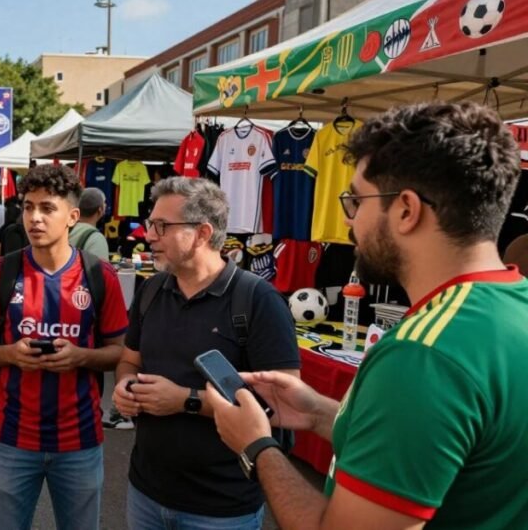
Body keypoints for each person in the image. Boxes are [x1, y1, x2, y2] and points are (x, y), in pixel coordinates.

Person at [208, 102, 528, 530]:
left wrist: (256, 445)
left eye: (356, 199)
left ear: (406, 210)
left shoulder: (423, 354)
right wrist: (322, 414)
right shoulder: (512, 302)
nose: (347, 218)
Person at [112, 177, 299, 529]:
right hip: (146, 493)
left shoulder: (258, 301)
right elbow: (128, 359)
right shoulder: (151, 290)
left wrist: (186, 400)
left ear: (202, 233)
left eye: (161, 226)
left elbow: (284, 404)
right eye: (151, 224)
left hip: (221, 507)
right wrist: (126, 386)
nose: (148, 235)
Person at [0, 164, 128, 530]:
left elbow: (119, 352)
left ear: (72, 216)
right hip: (12, 438)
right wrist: (10, 353)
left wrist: (81, 357)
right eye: (28, 207)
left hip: (80, 441)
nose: (34, 218)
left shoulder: (100, 276)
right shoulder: (0, 274)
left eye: (47, 208)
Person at [68, 187, 109, 261]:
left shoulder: (66, 228)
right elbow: (100, 271)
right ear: (100, 210)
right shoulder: (95, 238)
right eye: (104, 203)